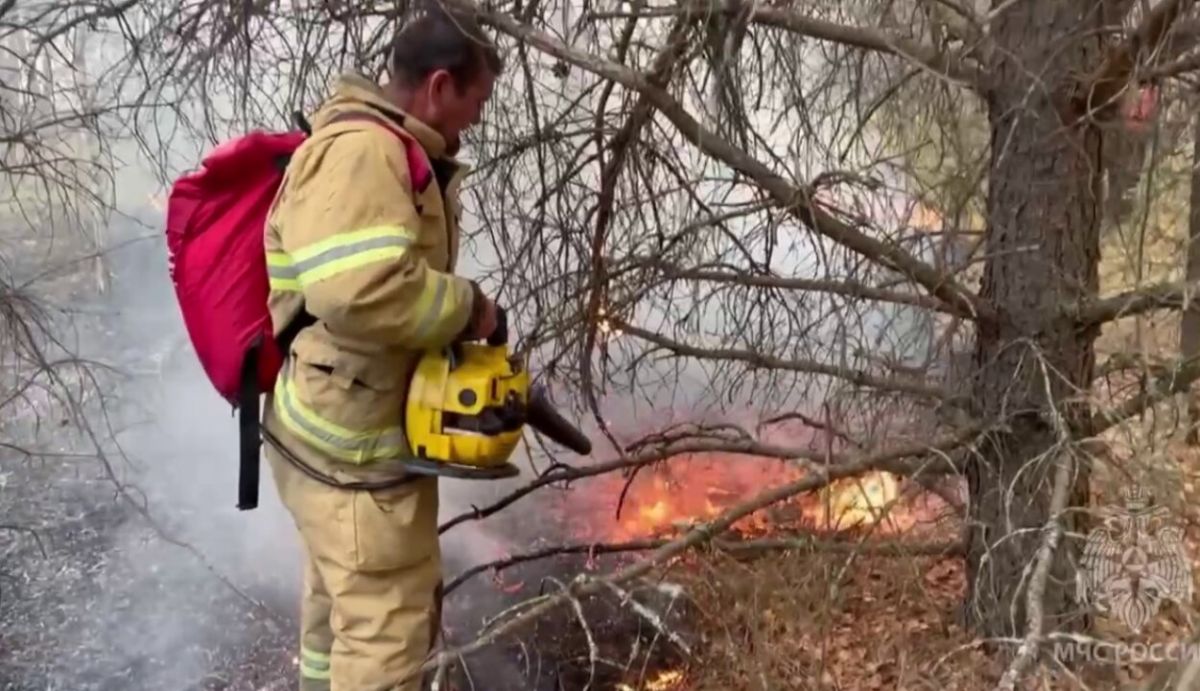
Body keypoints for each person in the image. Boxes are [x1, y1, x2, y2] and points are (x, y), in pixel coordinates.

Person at [259, 7, 503, 690]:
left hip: (325, 429)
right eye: (475, 100)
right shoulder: (367, 154)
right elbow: (360, 291)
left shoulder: (380, 147)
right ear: (437, 86)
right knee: (386, 624)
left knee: (338, 603)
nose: (476, 119)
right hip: (353, 450)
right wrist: (470, 309)